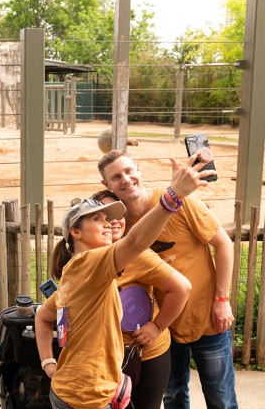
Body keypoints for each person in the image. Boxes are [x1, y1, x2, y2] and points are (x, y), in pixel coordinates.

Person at [35, 152, 212, 409]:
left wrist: (49, 363)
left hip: (74, 388)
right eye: (97, 219)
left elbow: (43, 315)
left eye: (109, 218)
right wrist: (173, 196)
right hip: (88, 397)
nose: (108, 224)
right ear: (75, 231)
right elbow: (137, 242)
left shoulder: (74, 272)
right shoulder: (90, 263)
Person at [98, 149, 238, 409]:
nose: (126, 180)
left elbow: (224, 245)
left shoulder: (180, 202)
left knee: (221, 397)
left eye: (129, 171)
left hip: (207, 316)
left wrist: (222, 299)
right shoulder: (120, 224)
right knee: (173, 395)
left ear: (139, 169)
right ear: (106, 185)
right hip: (164, 326)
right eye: (116, 177)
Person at [90, 189, 191, 409]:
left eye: (118, 215)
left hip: (145, 353)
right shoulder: (84, 259)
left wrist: (156, 326)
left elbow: (181, 288)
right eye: (104, 217)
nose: (113, 222)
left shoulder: (139, 255)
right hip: (101, 356)